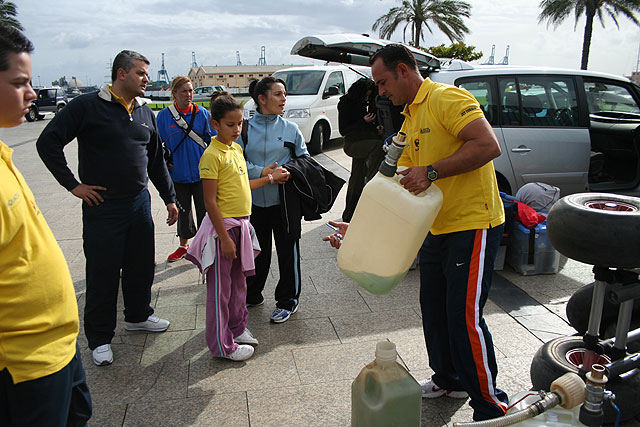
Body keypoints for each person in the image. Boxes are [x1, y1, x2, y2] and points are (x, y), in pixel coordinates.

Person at [325, 44, 508, 422]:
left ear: (404, 70)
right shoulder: (409, 119)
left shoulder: (446, 98)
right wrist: (358, 230)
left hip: (472, 223)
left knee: (463, 315)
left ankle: (491, 405)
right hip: (437, 226)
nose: (380, 92)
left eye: (383, 82)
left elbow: (487, 145)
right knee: (434, 308)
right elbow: (394, 190)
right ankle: (449, 378)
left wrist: (433, 171)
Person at [36, 50, 178, 367]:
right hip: (103, 206)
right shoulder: (87, 106)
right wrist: (73, 185)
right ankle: (100, 338)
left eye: (146, 73)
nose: (146, 79)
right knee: (103, 272)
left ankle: (139, 316)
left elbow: (155, 160)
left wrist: (169, 198)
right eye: (141, 73)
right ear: (121, 74)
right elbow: (48, 142)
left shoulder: (144, 111)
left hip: (139, 203)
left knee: (141, 266)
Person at [0, 26, 92, 426]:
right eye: (19, 83)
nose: (33, 93)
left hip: (58, 347)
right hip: (24, 366)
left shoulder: (3, 153)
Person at [186, 93, 289, 361]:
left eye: (240, 124)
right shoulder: (212, 155)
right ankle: (222, 346)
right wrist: (225, 238)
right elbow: (209, 201)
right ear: (215, 124)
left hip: (242, 225)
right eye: (230, 124)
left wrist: (268, 177)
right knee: (220, 290)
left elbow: (244, 186)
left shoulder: (235, 149)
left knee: (239, 283)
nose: (236, 129)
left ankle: (237, 328)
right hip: (224, 230)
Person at [239, 77, 310, 323]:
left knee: (287, 252)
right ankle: (253, 293)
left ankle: (288, 301)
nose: (284, 99)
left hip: (285, 204)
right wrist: (263, 172)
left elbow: (305, 160)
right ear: (262, 99)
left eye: (284, 94)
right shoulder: (245, 129)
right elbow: (236, 165)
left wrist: (288, 170)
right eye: (278, 94)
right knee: (256, 252)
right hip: (254, 202)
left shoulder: (291, 129)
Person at [157, 76, 212, 262]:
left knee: (205, 211)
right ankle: (183, 246)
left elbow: (213, 141)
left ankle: (206, 246)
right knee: (183, 212)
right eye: (184, 91)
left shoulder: (202, 113)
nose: (189, 95)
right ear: (174, 93)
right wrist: (165, 162)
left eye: (191, 91)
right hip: (178, 175)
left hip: (202, 174)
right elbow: (156, 146)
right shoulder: (164, 116)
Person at [338, 77, 385, 222]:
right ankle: (372, 180)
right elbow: (345, 130)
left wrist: (374, 127)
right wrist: (363, 121)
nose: (367, 99)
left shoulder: (365, 103)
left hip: (361, 143)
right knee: (378, 147)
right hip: (353, 144)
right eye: (365, 95)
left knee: (356, 181)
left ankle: (350, 216)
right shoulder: (346, 103)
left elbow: (364, 129)